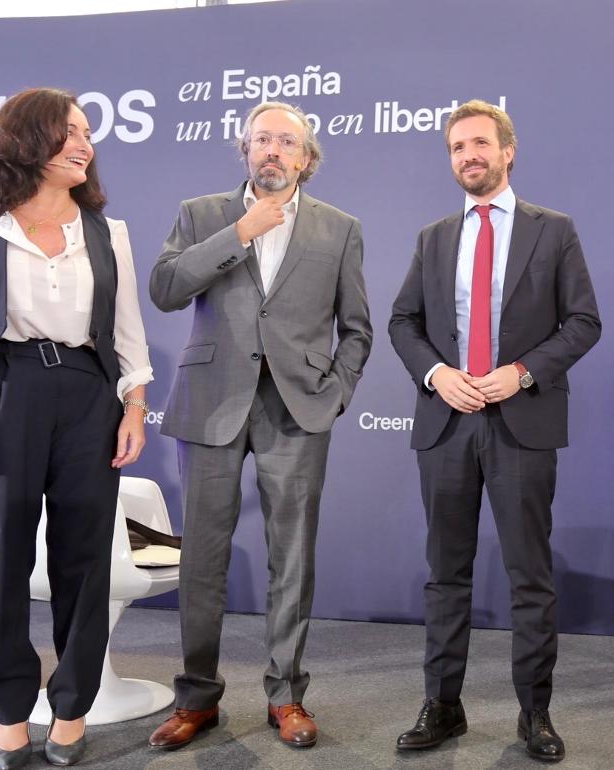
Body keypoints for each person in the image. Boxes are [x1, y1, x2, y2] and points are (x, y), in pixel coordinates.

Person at [0, 87, 153, 769]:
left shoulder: (107, 232)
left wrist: (135, 405)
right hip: (1, 392)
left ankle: (72, 710)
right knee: (1, 565)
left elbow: (126, 330)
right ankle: (9, 715)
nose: (86, 144)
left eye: (88, 132)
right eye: (70, 132)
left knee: (83, 562)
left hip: (89, 395)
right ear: (29, 140)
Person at [146, 101, 371, 751]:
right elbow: (165, 287)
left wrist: (335, 394)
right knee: (203, 561)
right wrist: (240, 231)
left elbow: (356, 328)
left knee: (292, 560)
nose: (273, 151)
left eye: (286, 142)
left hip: (298, 410)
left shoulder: (341, 228)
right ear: (244, 150)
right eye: (262, 140)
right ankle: (197, 699)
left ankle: (287, 697)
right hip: (211, 404)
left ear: (307, 157)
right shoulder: (203, 214)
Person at [387, 99, 601, 762]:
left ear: (508, 151)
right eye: (456, 147)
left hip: (520, 423)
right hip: (447, 423)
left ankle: (534, 713)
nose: (467, 156)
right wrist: (436, 376)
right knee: (445, 574)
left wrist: (523, 373)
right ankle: (443, 706)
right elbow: (403, 323)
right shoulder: (434, 237)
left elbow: (583, 323)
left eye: (479, 143)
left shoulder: (553, 231)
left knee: (528, 576)